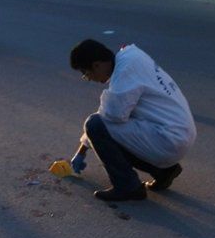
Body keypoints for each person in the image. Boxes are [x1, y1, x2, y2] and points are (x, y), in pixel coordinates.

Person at [68, 39, 196, 202]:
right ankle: (164, 171)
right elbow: (109, 119)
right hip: (179, 134)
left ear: (97, 65)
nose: (90, 79)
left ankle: (127, 186)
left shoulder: (124, 76)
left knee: (94, 125)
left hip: (167, 139)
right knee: (110, 128)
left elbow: (106, 120)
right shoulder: (131, 57)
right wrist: (82, 150)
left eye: (86, 74)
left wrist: (83, 149)